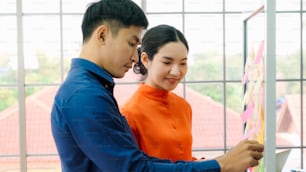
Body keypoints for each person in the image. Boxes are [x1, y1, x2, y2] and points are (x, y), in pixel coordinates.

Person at [51, 0, 264, 171]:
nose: (134, 57)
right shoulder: (84, 96)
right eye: (132, 43)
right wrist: (221, 164)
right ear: (103, 35)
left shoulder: (93, 89)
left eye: (183, 62)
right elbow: (135, 168)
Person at [120, 24, 195, 162]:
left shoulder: (184, 106)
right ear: (145, 59)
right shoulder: (130, 113)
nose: (176, 71)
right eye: (167, 62)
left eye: (183, 63)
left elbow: (185, 159)